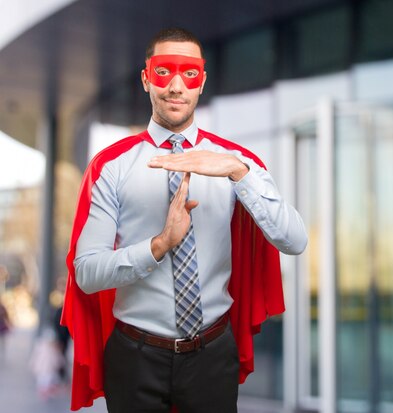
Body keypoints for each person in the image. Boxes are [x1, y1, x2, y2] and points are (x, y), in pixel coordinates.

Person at [61, 27, 307, 413]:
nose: (176, 85)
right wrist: (159, 245)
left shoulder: (233, 161)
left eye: (188, 73)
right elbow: (87, 273)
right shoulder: (112, 167)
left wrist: (239, 173)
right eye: (163, 72)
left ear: (202, 82)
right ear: (146, 78)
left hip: (212, 354)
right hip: (135, 357)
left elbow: (295, 240)